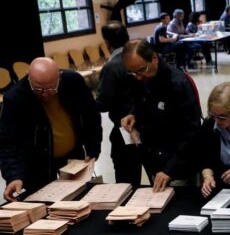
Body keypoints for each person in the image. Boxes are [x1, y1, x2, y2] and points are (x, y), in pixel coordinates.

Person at [0, 58, 102, 201]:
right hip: (36, 164)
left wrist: (93, 147)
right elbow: (8, 143)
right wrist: (14, 176)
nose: (45, 94)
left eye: (50, 88)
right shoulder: (15, 98)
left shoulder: (73, 82)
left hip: (73, 159)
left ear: (59, 76)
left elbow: (91, 116)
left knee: (78, 201)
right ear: (29, 76)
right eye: (38, 89)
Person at [121, 39, 202, 192]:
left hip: (179, 166)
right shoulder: (140, 77)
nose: (138, 76)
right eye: (133, 72)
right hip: (154, 160)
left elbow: (191, 132)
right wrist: (133, 115)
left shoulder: (177, 83)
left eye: (141, 70)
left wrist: (169, 169)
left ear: (154, 58)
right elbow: (138, 103)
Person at [96, 21, 141, 187]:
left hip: (124, 129)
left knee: (126, 181)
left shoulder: (112, 66)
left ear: (107, 43)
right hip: (147, 123)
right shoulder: (141, 57)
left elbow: (102, 103)